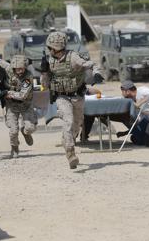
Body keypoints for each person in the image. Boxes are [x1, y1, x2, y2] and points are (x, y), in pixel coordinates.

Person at [41, 31, 104, 169]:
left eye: (50, 47)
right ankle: (71, 153)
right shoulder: (49, 60)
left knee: (76, 125)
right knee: (68, 121)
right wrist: (44, 72)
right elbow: (45, 85)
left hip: (77, 96)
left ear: (55, 48)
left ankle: (67, 139)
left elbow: (91, 64)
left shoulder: (73, 57)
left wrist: (97, 73)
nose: (48, 50)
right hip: (61, 96)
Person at [2, 55, 37, 158]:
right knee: (13, 131)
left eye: (22, 68)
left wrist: (8, 93)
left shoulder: (28, 77)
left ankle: (25, 132)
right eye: (17, 69)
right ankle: (14, 147)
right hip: (11, 106)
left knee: (30, 128)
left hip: (25, 104)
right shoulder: (8, 69)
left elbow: (22, 95)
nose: (20, 71)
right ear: (13, 68)